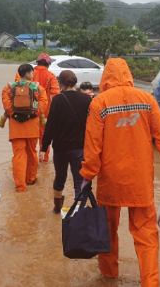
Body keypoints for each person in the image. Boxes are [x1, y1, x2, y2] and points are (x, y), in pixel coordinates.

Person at [79, 58, 160, 287]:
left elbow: (93, 146)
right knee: (146, 234)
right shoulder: (147, 100)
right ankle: (150, 282)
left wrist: (87, 175)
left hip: (110, 180)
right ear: (128, 75)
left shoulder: (99, 103)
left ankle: (109, 275)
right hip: (140, 180)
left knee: (107, 230)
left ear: (105, 78)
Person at [39, 70, 92, 213]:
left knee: (60, 178)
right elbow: (93, 126)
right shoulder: (87, 100)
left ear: (61, 84)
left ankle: (57, 208)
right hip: (80, 148)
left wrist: (44, 148)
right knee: (79, 180)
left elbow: (50, 126)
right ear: (75, 83)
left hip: (60, 149)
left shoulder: (57, 100)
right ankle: (79, 212)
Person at [2, 63, 48, 192]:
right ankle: (31, 179)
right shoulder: (37, 88)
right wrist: (33, 114)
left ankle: (20, 185)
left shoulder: (9, 88)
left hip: (16, 128)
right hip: (32, 127)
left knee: (18, 156)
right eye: (32, 73)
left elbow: (6, 104)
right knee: (32, 153)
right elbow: (44, 103)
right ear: (28, 74)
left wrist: (14, 115)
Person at [0, 53, 60, 133]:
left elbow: (17, 88)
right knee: (44, 136)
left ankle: (3, 119)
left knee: (26, 136)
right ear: (48, 65)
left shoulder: (28, 72)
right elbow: (56, 94)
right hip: (43, 109)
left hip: (24, 109)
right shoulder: (51, 76)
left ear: (37, 62)